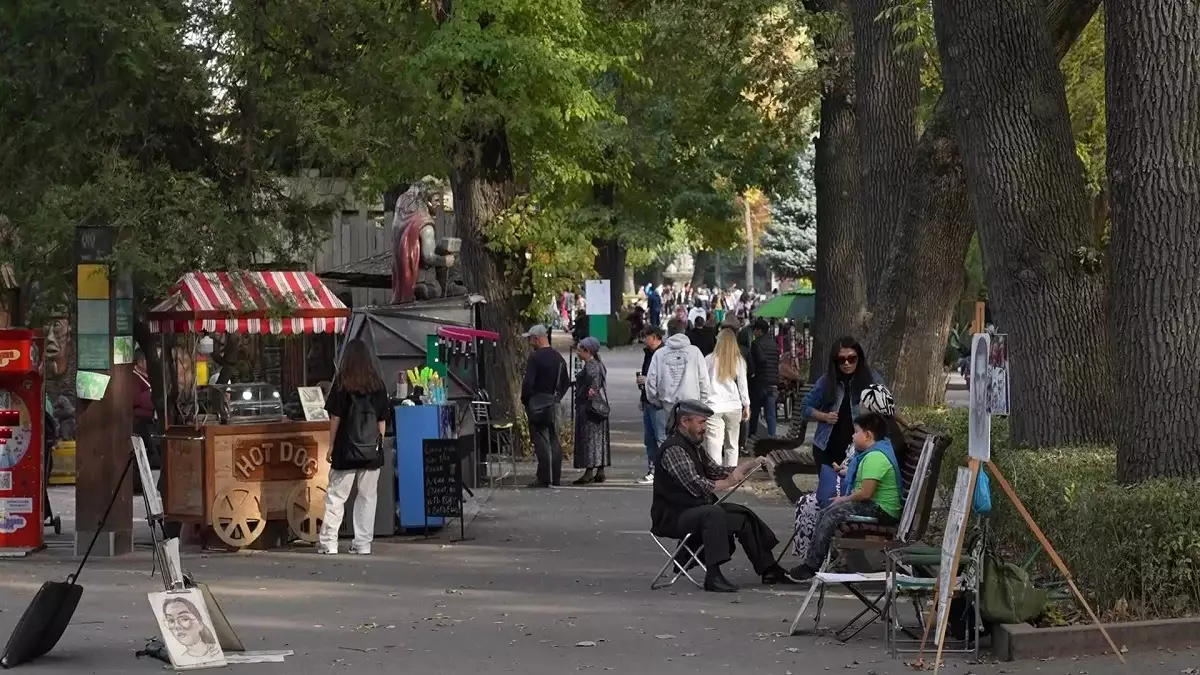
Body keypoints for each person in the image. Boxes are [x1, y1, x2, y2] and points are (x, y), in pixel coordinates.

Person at [652, 400, 798, 592]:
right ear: (685, 422)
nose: (704, 428)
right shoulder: (674, 449)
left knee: (742, 516)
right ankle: (713, 576)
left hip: (694, 510)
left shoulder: (693, 445)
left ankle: (769, 569)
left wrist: (748, 466)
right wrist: (729, 482)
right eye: (701, 422)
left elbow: (715, 470)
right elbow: (696, 485)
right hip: (673, 516)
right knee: (713, 514)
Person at [790, 383, 903, 560]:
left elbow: (866, 493)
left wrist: (844, 498)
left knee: (831, 513)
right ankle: (814, 559)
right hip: (874, 504)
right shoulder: (873, 449)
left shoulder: (875, 456)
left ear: (867, 435)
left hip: (881, 510)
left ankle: (812, 563)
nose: (852, 435)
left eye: (856, 432)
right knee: (827, 510)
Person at [318, 339, 389, 555]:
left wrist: (330, 446)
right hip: (370, 452)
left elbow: (335, 418)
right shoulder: (378, 384)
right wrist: (379, 443)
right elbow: (382, 420)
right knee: (368, 497)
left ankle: (329, 542)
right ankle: (362, 543)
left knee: (337, 496)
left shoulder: (341, 384)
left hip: (346, 449)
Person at [800, 336, 884, 505]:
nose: (847, 364)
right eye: (841, 360)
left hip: (857, 448)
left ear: (859, 359)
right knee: (829, 494)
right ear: (835, 361)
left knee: (849, 493)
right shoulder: (826, 381)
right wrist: (824, 416)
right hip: (827, 447)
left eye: (852, 359)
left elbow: (887, 405)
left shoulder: (871, 379)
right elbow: (805, 408)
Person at [521, 325, 570, 487]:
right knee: (554, 440)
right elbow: (565, 382)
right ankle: (555, 477)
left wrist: (527, 400)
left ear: (537, 338)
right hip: (554, 403)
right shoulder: (558, 358)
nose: (530, 342)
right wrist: (557, 397)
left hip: (537, 404)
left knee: (541, 440)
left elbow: (528, 383)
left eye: (531, 338)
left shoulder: (535, 358)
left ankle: (544, 478)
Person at [645, 318, 712, 437]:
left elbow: (651, 382)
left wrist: (656, 401)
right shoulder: (694, 352)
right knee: (691, 438)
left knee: (671, 437)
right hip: (692, 404)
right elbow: (704, 380)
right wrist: (702, 402)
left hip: (668, 405)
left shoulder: (660, 354)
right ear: (684, 331)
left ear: (668, 332)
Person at [703, 318, 750, 467]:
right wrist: (746, 404)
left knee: (714, 443)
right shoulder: (739, 361)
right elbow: (743, 385)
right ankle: (731, 473)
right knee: (732, 444)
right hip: (733, 405)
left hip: (713, 405)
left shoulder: (709, 359)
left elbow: (703, 383)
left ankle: (716, 473)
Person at [572, 337, 610, 485]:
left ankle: (589, 471)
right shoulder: (598, 364)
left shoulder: (591, 365)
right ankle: (600, 470)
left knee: (589, 439)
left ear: (588, 351)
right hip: (598, 408)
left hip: (589, 408)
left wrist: (589, 392)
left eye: (580, 350)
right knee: (599, 440)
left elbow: (593, 385)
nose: (578, 352)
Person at [637, 327, 667, 484]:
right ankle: (653, 469)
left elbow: (663, 378)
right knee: (649, 438)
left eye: (646, 336)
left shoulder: (662, 354)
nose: (644, 339)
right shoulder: (649, 353)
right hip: (648, 399)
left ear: (655, 337)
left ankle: (663, 471)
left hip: (658, 401)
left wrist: (646, 380)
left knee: (660, 437)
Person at [747, 318, 781, 438]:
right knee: (770, 412)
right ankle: (772, 436)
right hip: (773, 382)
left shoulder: (757, 343)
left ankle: (752, 434)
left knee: (755, 410)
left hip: (761, 381)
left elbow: (758, 361)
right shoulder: (774, 343)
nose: (754, 332)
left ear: (760, 331)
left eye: (755, 330)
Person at [162, 596, 221, 660]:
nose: (177, 626)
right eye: (171, 620)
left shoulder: (216, 651)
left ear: (200, 623)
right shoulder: (181, 659)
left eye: (184, 619)